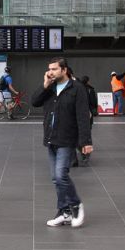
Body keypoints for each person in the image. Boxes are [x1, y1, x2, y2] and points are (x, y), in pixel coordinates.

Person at [32, 57, 93, 228]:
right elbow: (34, 101)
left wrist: (85, 142)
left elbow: (83, 117)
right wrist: (44, 85)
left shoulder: (77, 88)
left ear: (64, 70)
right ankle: (64, 212)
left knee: (61, 176)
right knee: (55, 178)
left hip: (67, 139)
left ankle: (76, 205)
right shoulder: (50, 87)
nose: (50, 72)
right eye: (49, 69)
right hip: (51, 138)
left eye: (54, 69)